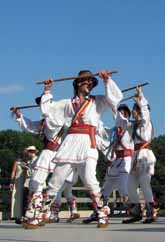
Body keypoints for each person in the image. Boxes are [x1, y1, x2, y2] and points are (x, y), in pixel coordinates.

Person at [34, 69, 122, 229]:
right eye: (86, 81)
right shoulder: (67, 103)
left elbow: (115, 99)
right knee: (55, 180)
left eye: (91, 81)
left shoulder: (97, 102)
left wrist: (107, 80)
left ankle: (102, 212)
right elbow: (47, 111)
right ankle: (41, 213)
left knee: (89, 179)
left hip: (88, 143)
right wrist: (47, 91)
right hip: (69, 144)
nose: (89, 83)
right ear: (77, 83)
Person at [123, 86, 157, 224]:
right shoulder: (133, 125)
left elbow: (145, 111)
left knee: (144, 183)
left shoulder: (145, 123)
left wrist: (140, 96)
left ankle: (151, 212)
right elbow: (121, 121)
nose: (133, 112)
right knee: (130, 184)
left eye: (134, 110)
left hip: (145, 154)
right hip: (135, 155)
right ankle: (137, 211)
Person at [10, 146, 38, 224]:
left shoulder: (29, 161)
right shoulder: (17, 161)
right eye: (27, 152)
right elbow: (13, 172)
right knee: (17, 199)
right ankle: (17, 216)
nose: (27, 153)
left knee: (26, 199)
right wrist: (11, 182)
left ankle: (25, 215)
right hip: (18, 182)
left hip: (26, 181)